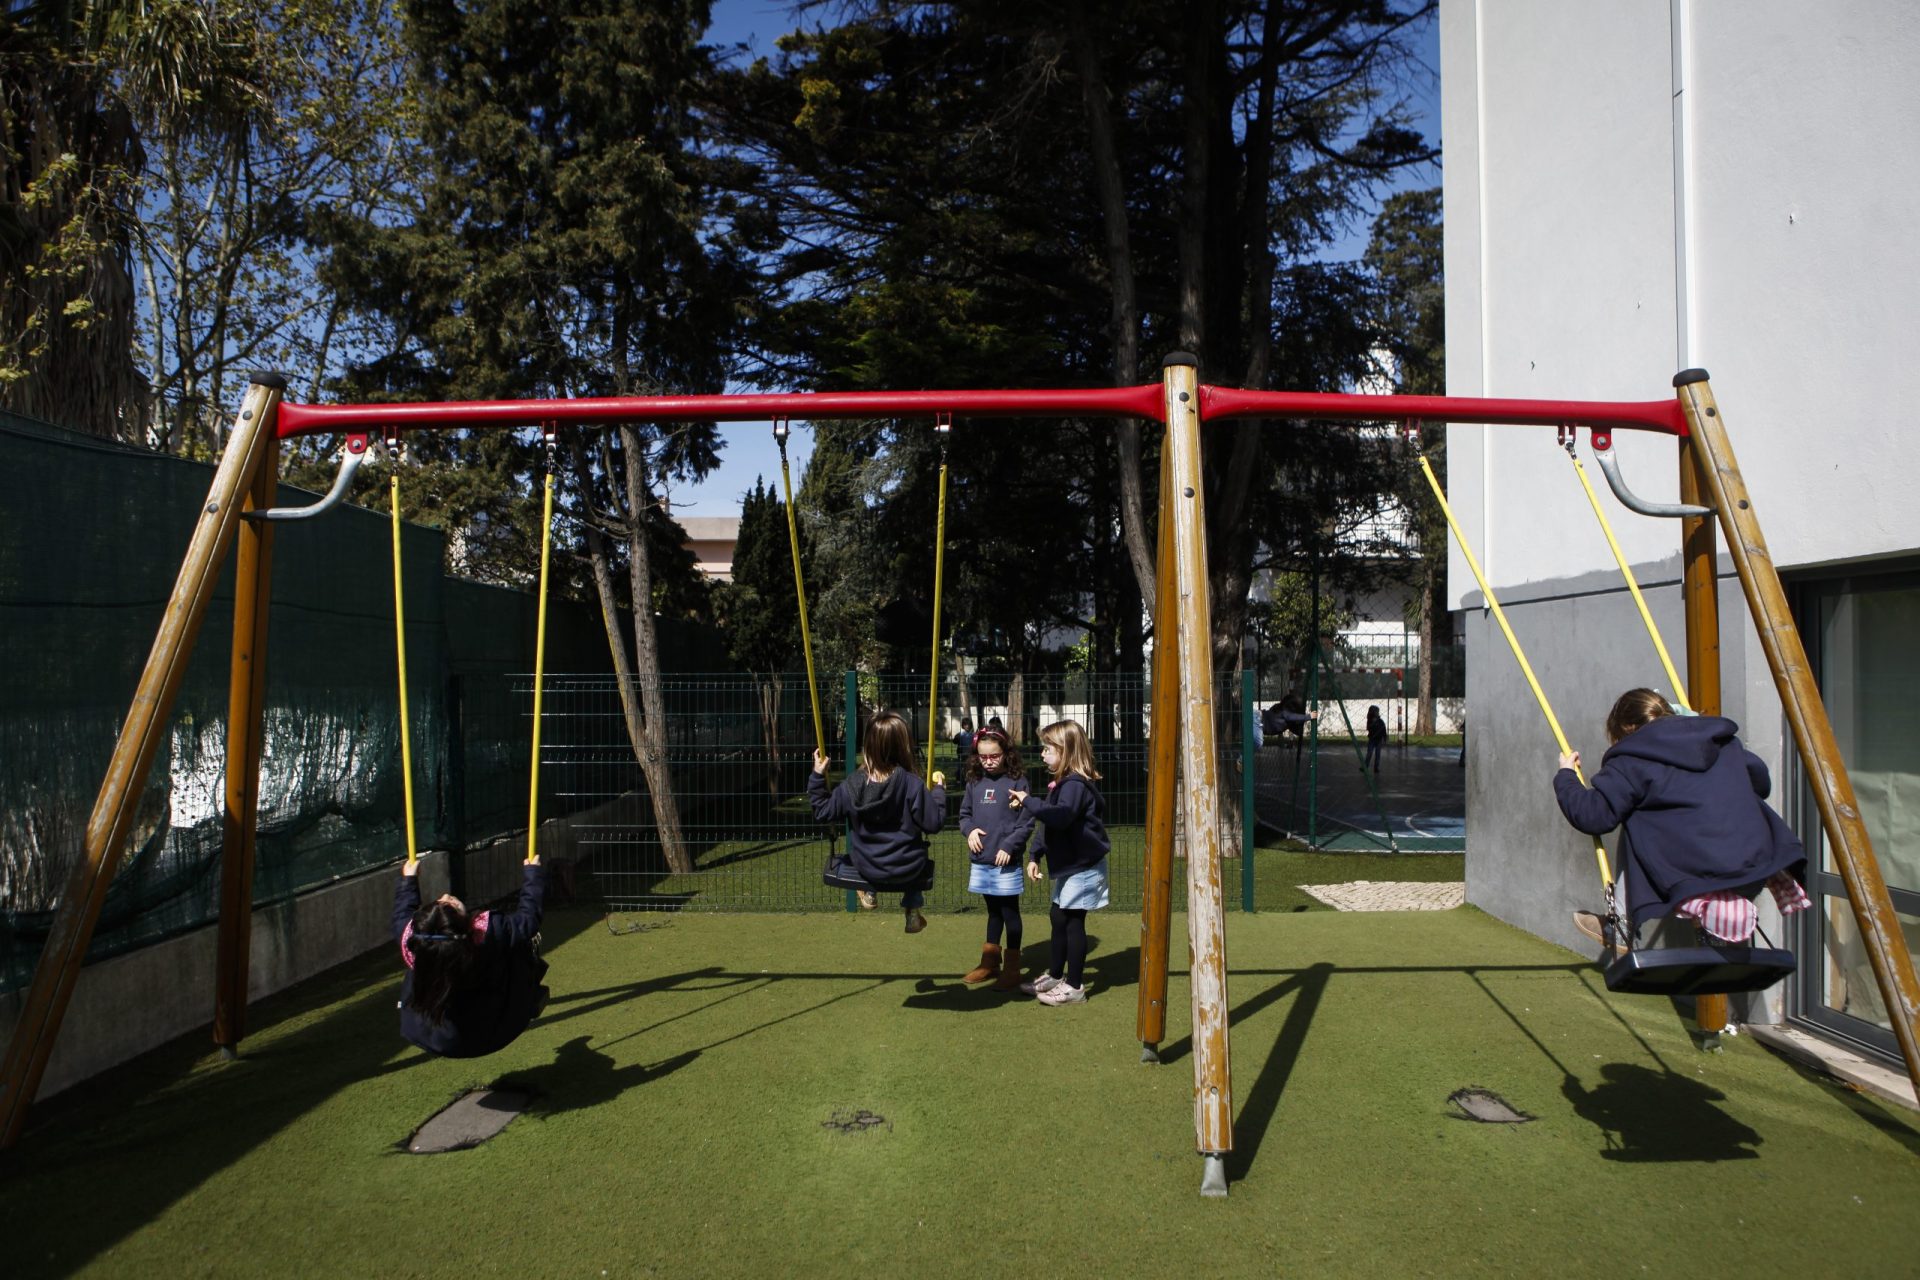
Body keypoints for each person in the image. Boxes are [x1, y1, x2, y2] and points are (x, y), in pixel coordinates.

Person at [1552, 688, 1810, 950]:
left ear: (1628, 729)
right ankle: (1718, 930)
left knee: (1636, 816)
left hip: (1689, 877)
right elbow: (1761, 783)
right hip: (1755, 867)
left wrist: (1566, 776)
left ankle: (1620, 923)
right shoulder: (1721, 742)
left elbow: (1593, 816)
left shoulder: (1632, 758)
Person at [394, 856, 549, 1058]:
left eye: (442, 901)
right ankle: (530, 997)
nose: (447, 896)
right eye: (449, 904)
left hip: (432, 1037)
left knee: (426, 965)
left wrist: (409, 879)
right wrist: (532, 873)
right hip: (494, 1031)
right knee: (518, 948)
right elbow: (528, 919)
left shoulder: (417, 942)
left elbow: (402, 914)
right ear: (462, 924)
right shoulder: (491, 934)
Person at [810, 708, 946, 933]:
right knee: (914, 854)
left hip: (868, 867)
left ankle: (870, 892)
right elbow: (934, 823)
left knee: (864, 854)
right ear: (903, 747)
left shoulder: (851, 785)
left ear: (868, 746)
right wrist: (939, 792)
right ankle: (912, 908)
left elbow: (822, 811)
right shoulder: (912, 784)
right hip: (908, 868)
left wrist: (817, 776)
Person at [1009, 719, 1110, 1005]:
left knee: (1073, 921)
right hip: (1070, 865)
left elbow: (1060, 816)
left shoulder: (1075, 786)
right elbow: (1049, 825)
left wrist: (1029, 801)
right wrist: (1034, 855)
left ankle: (1075, 987)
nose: (1042, 754)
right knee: (1059, 917)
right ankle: (1055, 974)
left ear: (1066, 751)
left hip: (1085, 866)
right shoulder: (1062, 785)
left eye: (1047, 749)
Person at [957, 726, 1034, 989]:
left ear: (1006, 753)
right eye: (982, 757)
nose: (988, 761)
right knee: (993, 911)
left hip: (1006, 861)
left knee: (1009, 912)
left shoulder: (1018, 781)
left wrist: (1009, 846)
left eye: (994, 756)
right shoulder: (974, 782)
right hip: (982, 859)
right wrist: (969, 831)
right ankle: (990, 963)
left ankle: (1012, 969)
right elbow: (964, 815)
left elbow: (1026, 822)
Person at [1364, 704, 1387, 772]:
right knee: (1369, 753)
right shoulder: (1370, 721)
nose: (1377, 713)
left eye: (1377, 712)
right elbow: (1368, 728)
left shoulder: (1380, 721)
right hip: (1372, 740)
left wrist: (1384, 737)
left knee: (1378, 754)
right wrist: (1372, 724)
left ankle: (1376, 768)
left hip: (1379, 740)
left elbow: (1383, 729)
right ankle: (1365, 766)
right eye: (1376, 712)